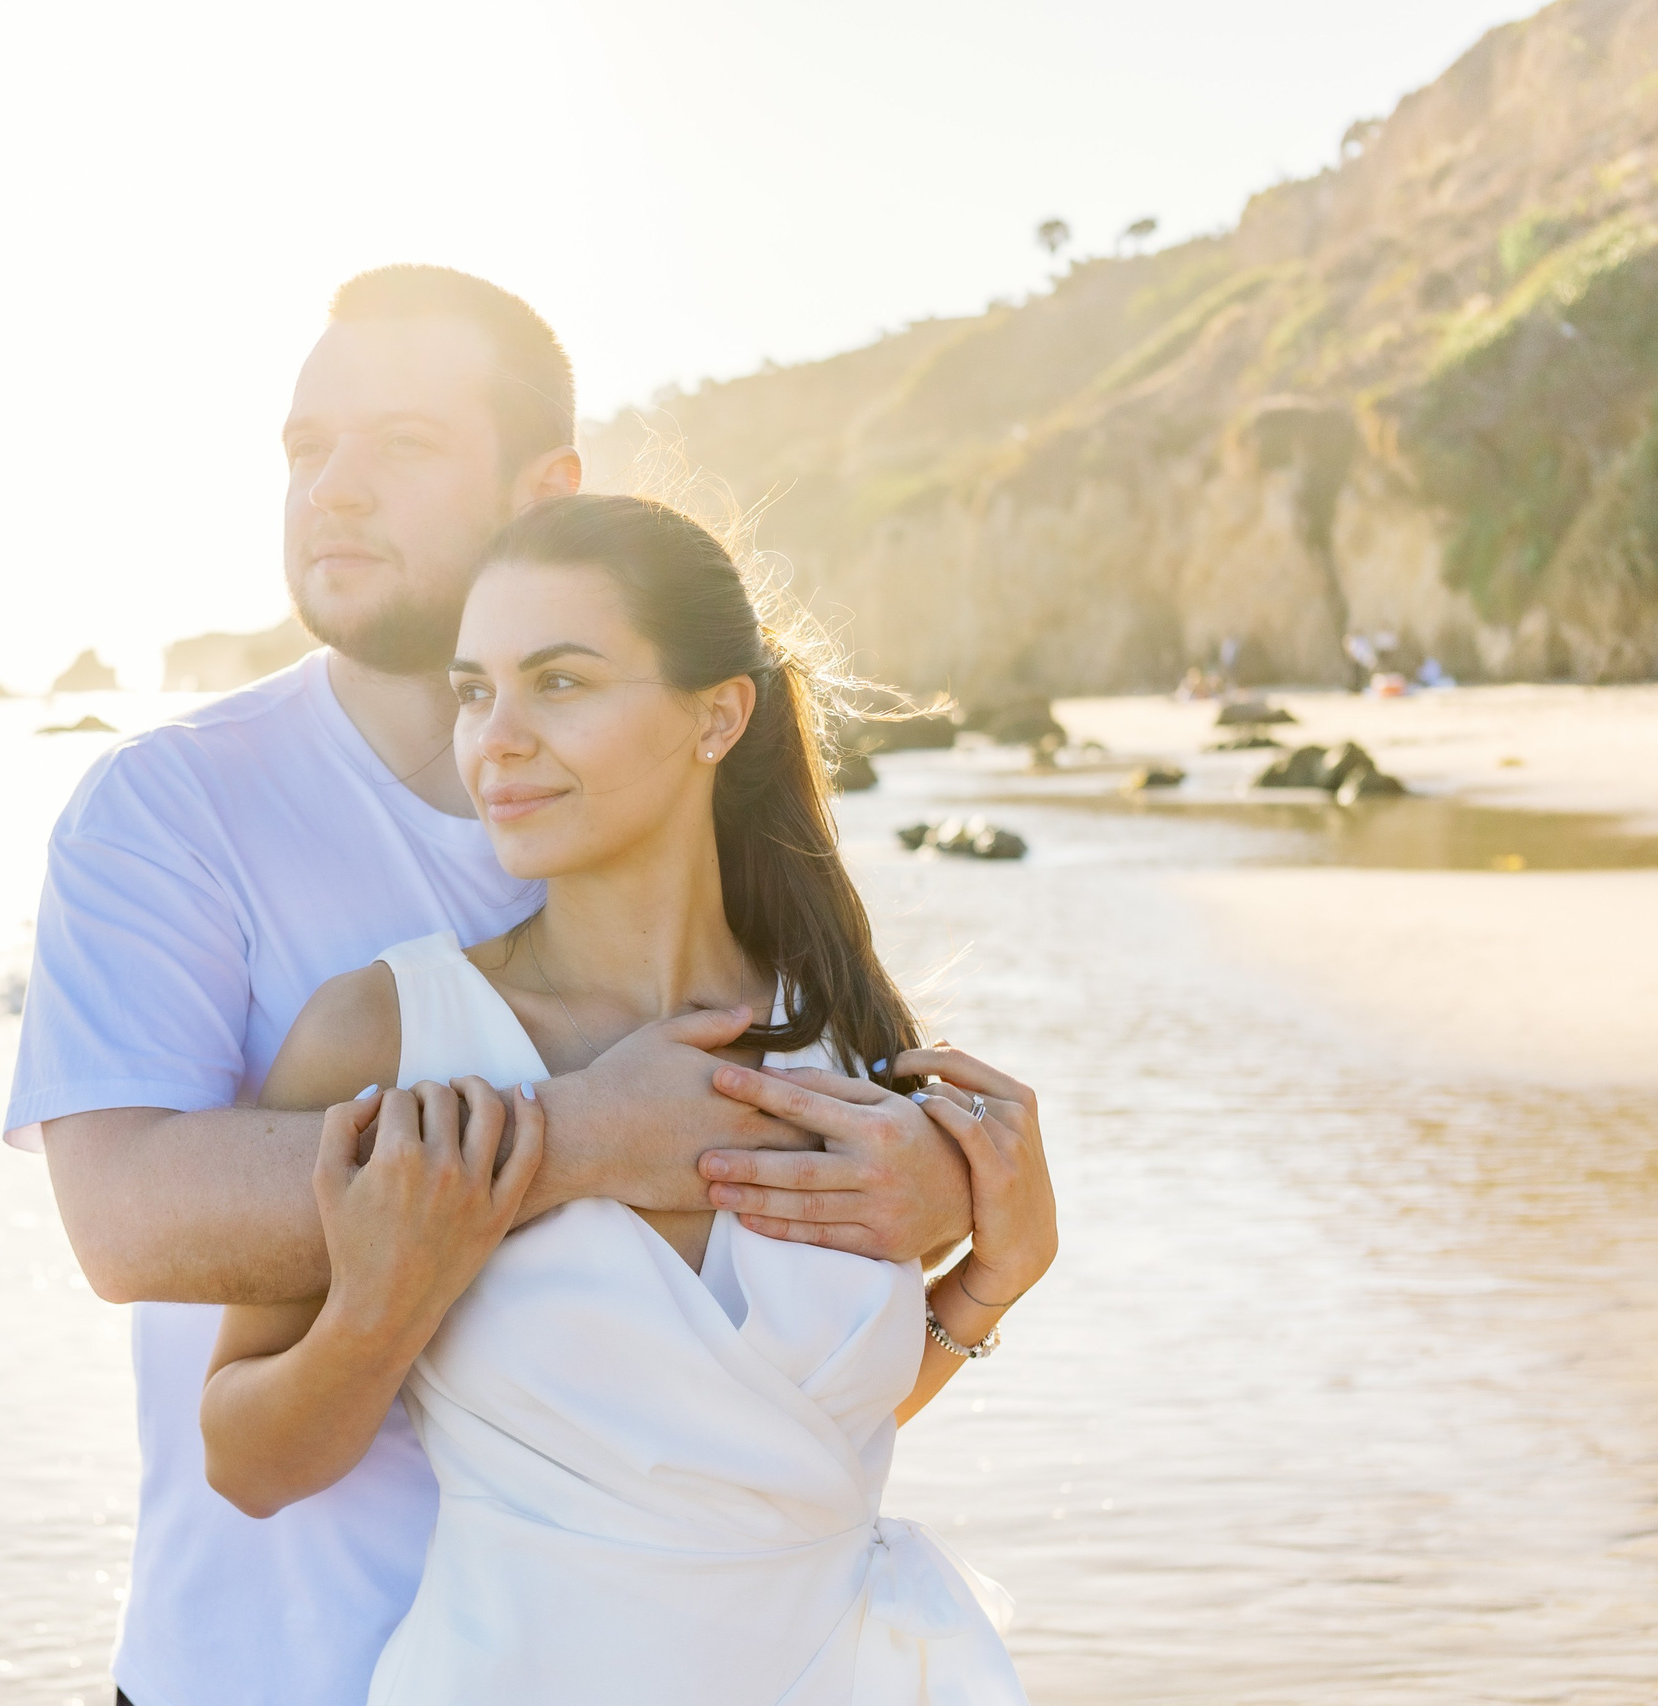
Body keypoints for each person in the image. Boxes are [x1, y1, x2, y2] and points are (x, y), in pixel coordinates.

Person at [5, 267, 977, 1706]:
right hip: (271, 1667)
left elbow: (757, 1411)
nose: (332, 489)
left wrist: (972, 1243)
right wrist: (589, 1133)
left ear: (546, 487)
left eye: (401, 443)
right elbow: (124, 1221)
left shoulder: (701, 874)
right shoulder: (170, 807)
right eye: (304, 447)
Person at [200, 495, 1052, 1703]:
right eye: (473, 688)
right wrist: (384, 1304)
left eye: (558, 682)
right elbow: (246, 1461)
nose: (493, 737)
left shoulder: (849, 1036)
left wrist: (988, 1282)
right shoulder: (390, 1034)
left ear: (719, 715)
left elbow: (777, 1455)